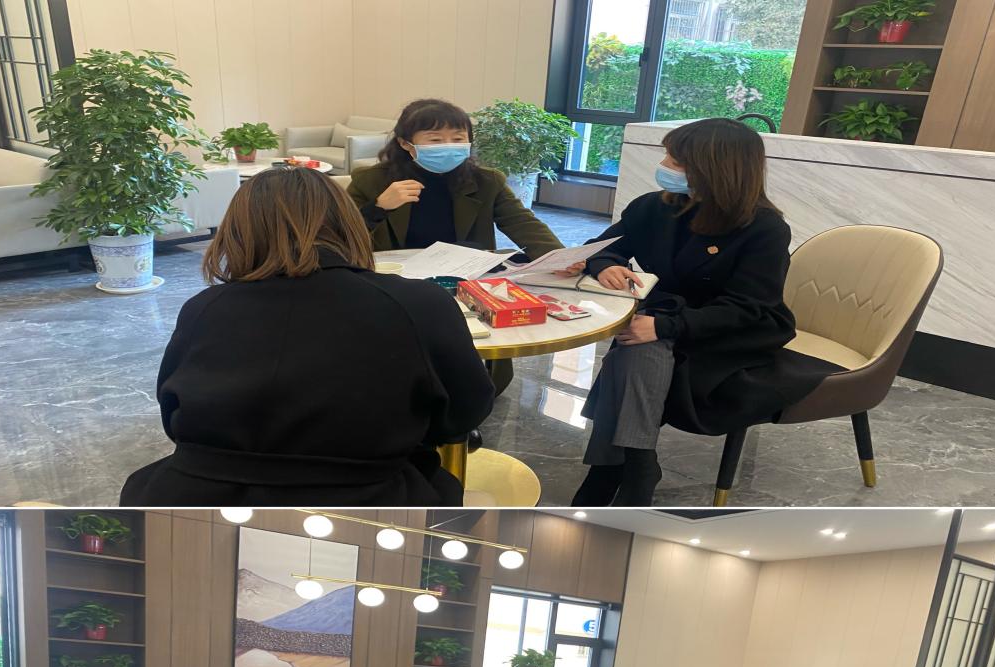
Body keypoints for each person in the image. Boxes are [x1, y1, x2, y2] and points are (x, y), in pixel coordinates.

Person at [120, 166, 494, 507]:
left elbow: (174, 414)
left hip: (193, 493)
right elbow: (463, 413)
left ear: (238, 231)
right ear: (348, 223)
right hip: (369, 496)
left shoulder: (204, 307)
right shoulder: (418, 303)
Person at [571, 118, 842, 506]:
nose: (664, 166)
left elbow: (749, 307)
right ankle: (636, 464)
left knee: (636, 346)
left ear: (714, 170)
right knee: (638, 344)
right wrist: (605, 266)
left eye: (675, 161)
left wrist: (666, 327)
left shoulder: (764, 228)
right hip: (671, 312)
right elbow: (603, 247)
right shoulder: (654, 207)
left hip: (732, 330)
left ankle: (612, 470)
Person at [347, 98, 569, 396]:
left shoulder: (486, 181)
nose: (448, 146)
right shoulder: (371, 181)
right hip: (397, 282)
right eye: (435, 139)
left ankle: (475, 389)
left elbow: (521, 222)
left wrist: (558, 257)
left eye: (457, 138)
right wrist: (379, 207)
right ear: (405, 143)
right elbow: (339, 235)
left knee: (471, 349)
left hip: (464, 279)